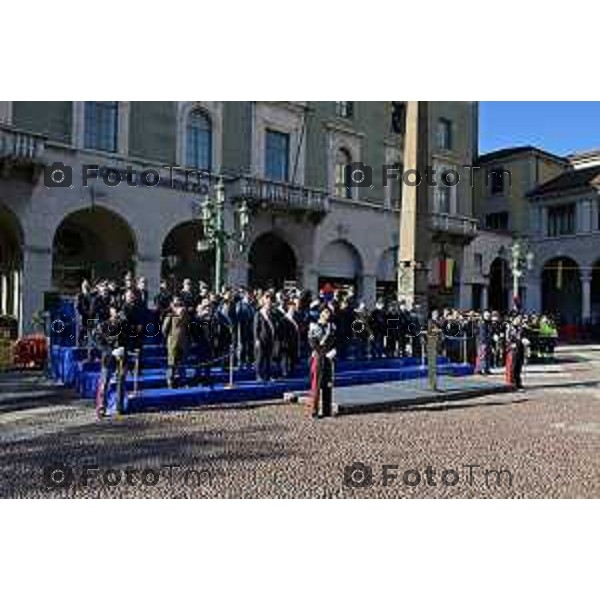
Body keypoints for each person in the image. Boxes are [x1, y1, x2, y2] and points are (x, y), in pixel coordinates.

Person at [94, 306, 128, 417]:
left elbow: (130, 339)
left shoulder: (125, 324)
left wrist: (126, 349)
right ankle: (101, 407)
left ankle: (119, 406)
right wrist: (111, 351)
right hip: (108, 358)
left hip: (122, 357)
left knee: (121, 383)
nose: (117, 313)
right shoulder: (103, 325)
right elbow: (99, 342)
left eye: (119, 310)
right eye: (115, 310)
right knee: (104, 382)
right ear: (110, 311)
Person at [308, 306, 337, 418]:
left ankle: (326, 410)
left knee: (328, 385)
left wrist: (333, 350)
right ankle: (314, 411)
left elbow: (335, 340)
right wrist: (323, 353)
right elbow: (313, 343)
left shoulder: (332, 327)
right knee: (316, 385)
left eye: (329, 312)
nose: (328, 314)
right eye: (325, 312)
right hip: (319, 358)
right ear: (320, 313)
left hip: (328, 358)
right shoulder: (314, 327)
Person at [162, 298, 190, 388]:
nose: (180, 309)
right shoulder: (170, 316)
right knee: (172, 363)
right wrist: (170, 338)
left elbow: (188, 328)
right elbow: (164, 329)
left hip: (183, 342)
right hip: (172, 342)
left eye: (181, 306)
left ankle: (183, 380)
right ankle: (170, 381)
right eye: (178, 306)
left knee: (183, 362)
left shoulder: (186, 317)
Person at [254, 292, 275, 383]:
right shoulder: (258, 314)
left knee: (268, 359)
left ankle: (268, 375)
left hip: (270, 340)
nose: (269, 305)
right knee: (260, 359)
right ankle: (258, 376)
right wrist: (257, 339)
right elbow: (255, 328)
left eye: (270, 303)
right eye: (267, 303)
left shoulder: (271, 314)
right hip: (261, 340)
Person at [477, 310, 493, 375]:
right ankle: (482, 369)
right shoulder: (482, 323)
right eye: (487, 316)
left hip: (488, 341)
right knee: (483, 356)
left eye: (489, 316)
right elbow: (483, 334)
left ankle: (487, 369)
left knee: (488, 356)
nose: (488, 317)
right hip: (483, 342)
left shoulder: (489, 323)